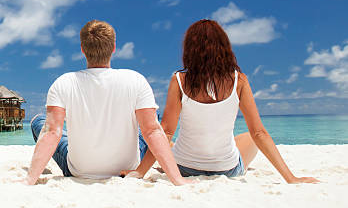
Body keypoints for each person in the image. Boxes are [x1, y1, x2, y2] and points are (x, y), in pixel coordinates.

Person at [121, 19, 318, 183]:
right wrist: (291, 178)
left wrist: (140, 172)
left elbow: (166, 130)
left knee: (170, 141)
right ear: (224, 47)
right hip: (227, 169)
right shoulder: (239, 81)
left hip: (184, 167)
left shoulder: (180, 80)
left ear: (190, 49)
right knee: (251, 136)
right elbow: (259, 133)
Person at [24, 19, 186, 185]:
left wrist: (29, 180)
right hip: (128, 167)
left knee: (39, 121)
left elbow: (52, 132)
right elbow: (151, 131)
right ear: (114, 48)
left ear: (82, 49)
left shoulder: (64, 82)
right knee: (151, 120)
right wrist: (177, 180)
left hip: (79, 171)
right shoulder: (136, 80)